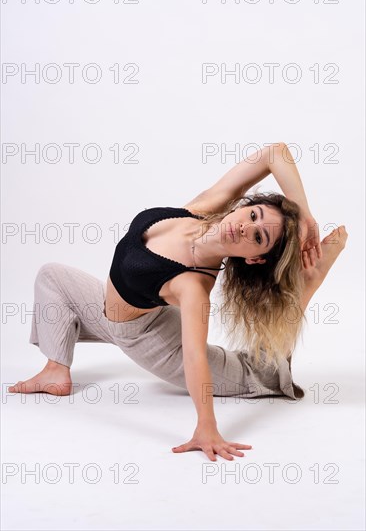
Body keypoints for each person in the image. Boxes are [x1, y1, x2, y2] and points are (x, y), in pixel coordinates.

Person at [7, 142, 348, 462]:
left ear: (256, 258)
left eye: (259, 237)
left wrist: (206, 426)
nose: (246, 227)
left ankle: (309, 282)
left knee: (257, 373)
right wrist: (304, 215)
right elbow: (275, 152)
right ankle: (55, 371)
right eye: (254, 215)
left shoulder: (193, 284)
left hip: (152, 342)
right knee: (51, 276)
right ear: (246, 207)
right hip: (106, 310)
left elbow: (195, 356)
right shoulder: (203, 209)